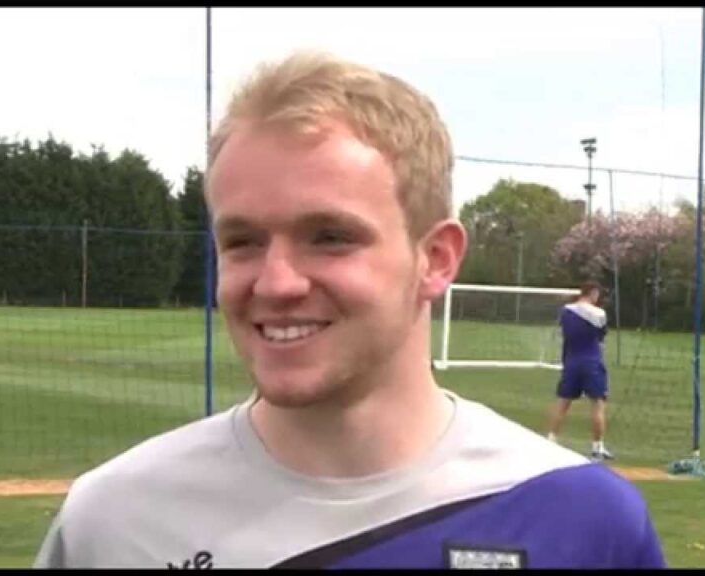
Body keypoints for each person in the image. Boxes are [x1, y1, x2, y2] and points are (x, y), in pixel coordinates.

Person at [33, 51, 665, 569]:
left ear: (437, 259)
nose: (276, 282)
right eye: (243, 241)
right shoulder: (112, 524)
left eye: (330, 236)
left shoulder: (583, 522)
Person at [546, 280, 614, 461]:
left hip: (571, 362)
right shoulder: (599, 313)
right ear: (592, 293)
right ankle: (597, 447)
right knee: (598, 405)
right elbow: (601, 337)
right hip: (591, 361)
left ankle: (551, 440)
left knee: (562, 404)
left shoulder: (566, 311)